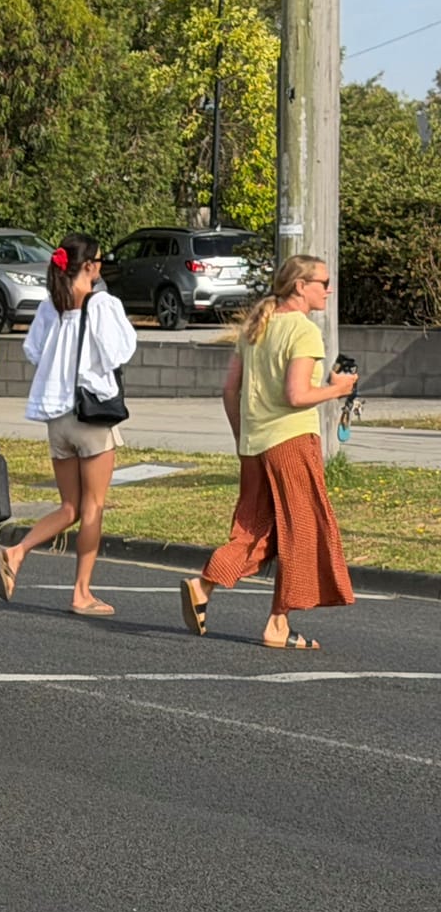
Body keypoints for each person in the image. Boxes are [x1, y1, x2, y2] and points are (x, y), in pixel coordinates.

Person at [179, 255, 356, 649]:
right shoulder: (303, 331)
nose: (328, 289)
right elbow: (296, 396)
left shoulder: (257, 326)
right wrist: (338, 389)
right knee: (303, 532)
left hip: (255, 444)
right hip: (292, 442)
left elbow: (230, 390)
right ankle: (276, 624)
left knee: (258, 528)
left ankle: (205, 585)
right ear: (299, 286)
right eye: (322, 282)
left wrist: (245, 436)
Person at [0, 233, 139, 616]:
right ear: (88, 266)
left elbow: (33, 351)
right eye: (100, 261)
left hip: (56, 416)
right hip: (91, 415)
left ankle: (17, 551)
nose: (103, 266)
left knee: (69, 506)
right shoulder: (103, 303)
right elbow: (119, 351)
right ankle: (82, 592)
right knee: (93, 508)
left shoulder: (50, 305)